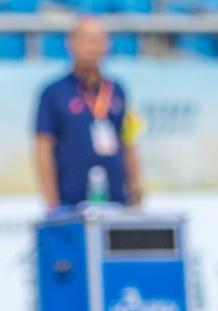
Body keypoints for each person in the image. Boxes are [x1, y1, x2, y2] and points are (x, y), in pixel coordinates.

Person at [34, 16, 143, 212]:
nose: (93, 45)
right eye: (86, 39)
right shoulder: (54, 92)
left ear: (108, 46)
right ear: (71, 43)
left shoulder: (117, 90)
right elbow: (43, 147)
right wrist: (51, 201)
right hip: (70, 204)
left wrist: (135, 189)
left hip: (116, 202)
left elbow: (128, 142)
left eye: (99, 39)